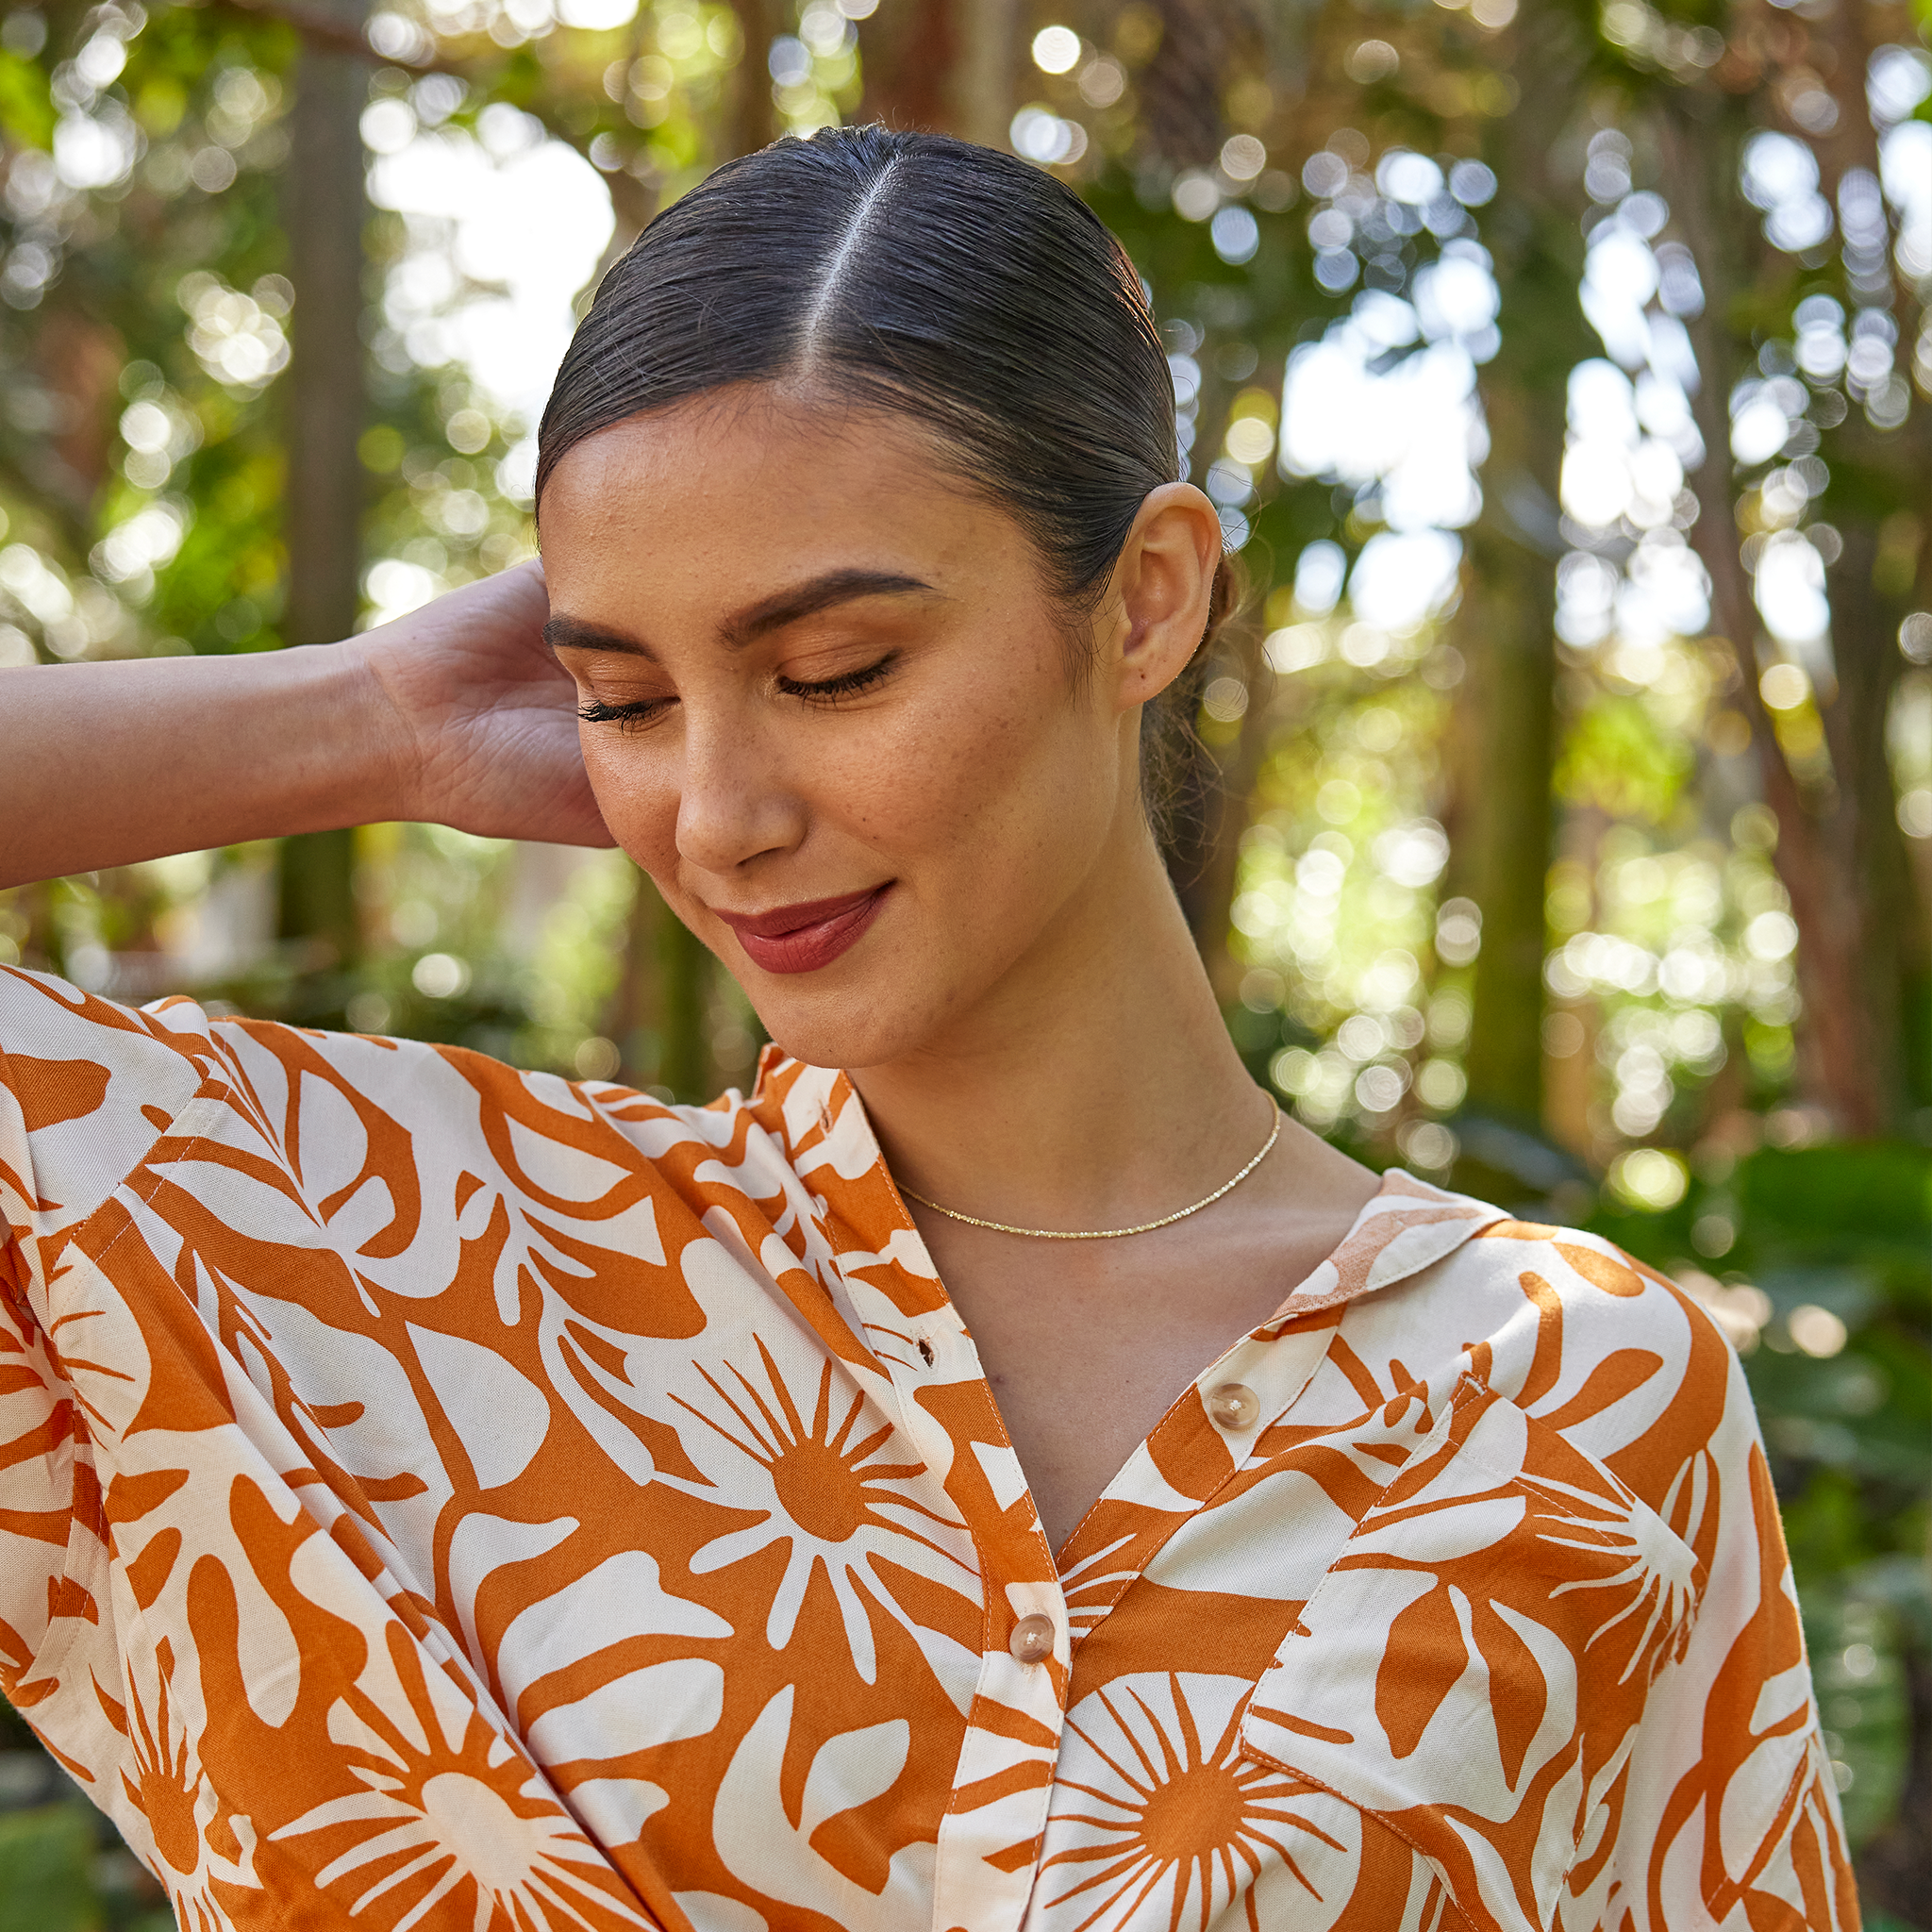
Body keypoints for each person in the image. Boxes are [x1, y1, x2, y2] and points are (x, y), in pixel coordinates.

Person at [0, 125, 1854, 1932]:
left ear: (1144, 600)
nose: (716, 816)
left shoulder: (1565, 1401)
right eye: (623, 698)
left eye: (832, 672)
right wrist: (370, 717)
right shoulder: (363, 1254)